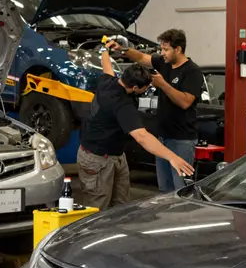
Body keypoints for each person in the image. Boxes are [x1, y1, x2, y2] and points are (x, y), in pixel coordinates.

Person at [76, 47, 195, 211]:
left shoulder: (108, 81)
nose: (147, 89)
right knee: (97, 209)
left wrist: (105, 49)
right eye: (146, 87)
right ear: (134, 88)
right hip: (96, 159)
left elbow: (107, 66)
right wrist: (172, 157)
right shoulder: (122, 105)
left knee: (121, 207)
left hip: (116, 155)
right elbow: (142, 136)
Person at [107, 28, 204, 193]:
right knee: (164, 188)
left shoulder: (192, 71)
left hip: (182, 140)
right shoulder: (164, 62)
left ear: (178, 49)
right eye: (161, 49)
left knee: (181, 189)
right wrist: (122, 49)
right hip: (162, 138)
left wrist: (163, 85)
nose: (162, 53)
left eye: (166, 49)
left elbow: (185, 102)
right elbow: (141, 58)